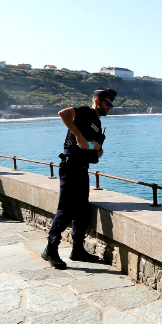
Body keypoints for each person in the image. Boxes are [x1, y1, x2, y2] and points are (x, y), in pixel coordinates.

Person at [41, 89, 116, 269]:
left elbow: (95, 150)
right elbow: (64, 114)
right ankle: (50, 248)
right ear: (97, 102)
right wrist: (79, 135)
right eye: (108, 103)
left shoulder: (97, 122)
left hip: (82, 168)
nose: (110, 108)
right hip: (71, 165)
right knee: (66, 209)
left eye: (112, 104)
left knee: (82, 210)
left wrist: (97, 147)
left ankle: (78, 249)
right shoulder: (85, 111)